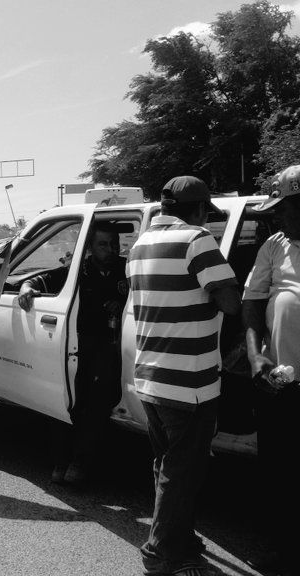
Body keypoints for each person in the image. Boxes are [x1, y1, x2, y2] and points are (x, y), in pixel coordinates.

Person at [128, 176, 240, 576]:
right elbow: (230, 301)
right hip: (189, 381)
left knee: (167, 465)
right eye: (205, 214)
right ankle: (161, 555)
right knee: (182, 472)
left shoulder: (139, 245)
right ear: (196, 210)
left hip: (151, 377)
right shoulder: (197, 240)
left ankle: (181, 540)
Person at [18, 223, 128, 485]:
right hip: (76, 347)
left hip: (112, 347)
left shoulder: (127, 268)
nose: (111, 249)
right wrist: (25, 289)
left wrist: (120, 303)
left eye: (114, 244)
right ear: (89, 247)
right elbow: (38, 280)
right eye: (103, 244)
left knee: (98, 406)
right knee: (69, 403)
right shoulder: (78, 270)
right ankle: (60, 462)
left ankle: (80, 463)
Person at [242, 165, 300, 576]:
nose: (280, 217)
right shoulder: (274, 247)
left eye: (287, 208)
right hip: (283, 382)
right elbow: (251, 303)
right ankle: (279, 545)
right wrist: (253, 355)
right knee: (278, 469)